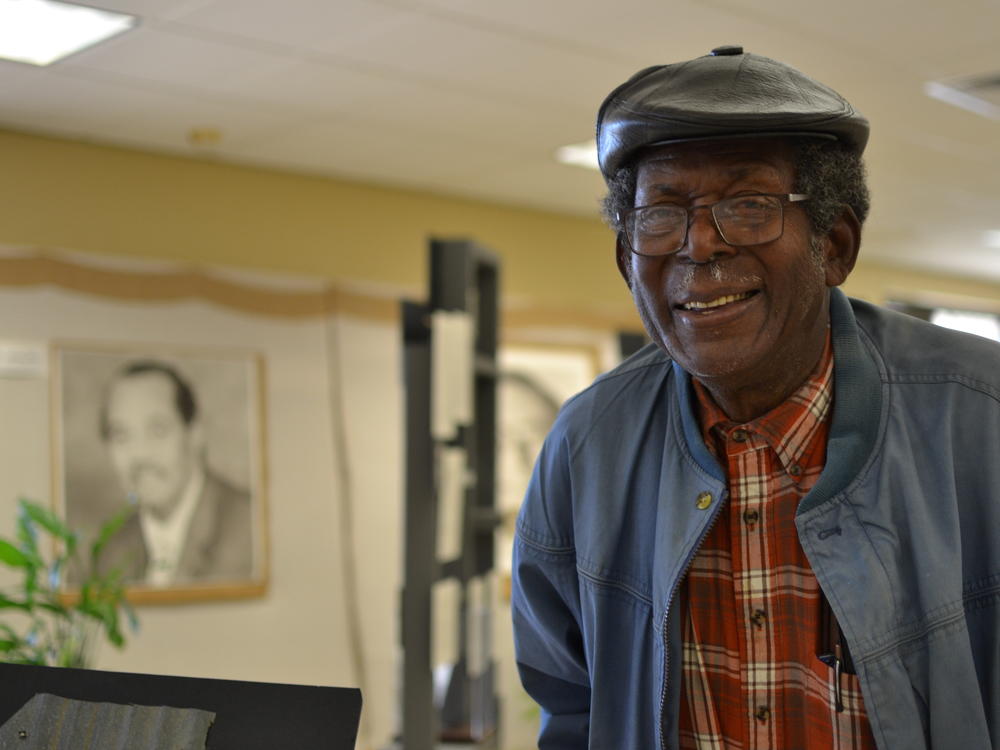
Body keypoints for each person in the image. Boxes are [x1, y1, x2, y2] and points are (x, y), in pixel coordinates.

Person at [511, 46, 1000, 749]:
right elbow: (570, 706)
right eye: (661, 214)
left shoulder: (981, 419)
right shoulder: (587, 446)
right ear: (627, 261)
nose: (699, 246)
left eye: (748, 206)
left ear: (833, 245)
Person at [98, 360, 254, 586]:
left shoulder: (250, 528)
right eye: (121, 435)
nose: (140, 455)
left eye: (157, 430)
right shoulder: (109, 551)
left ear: (195, 433)